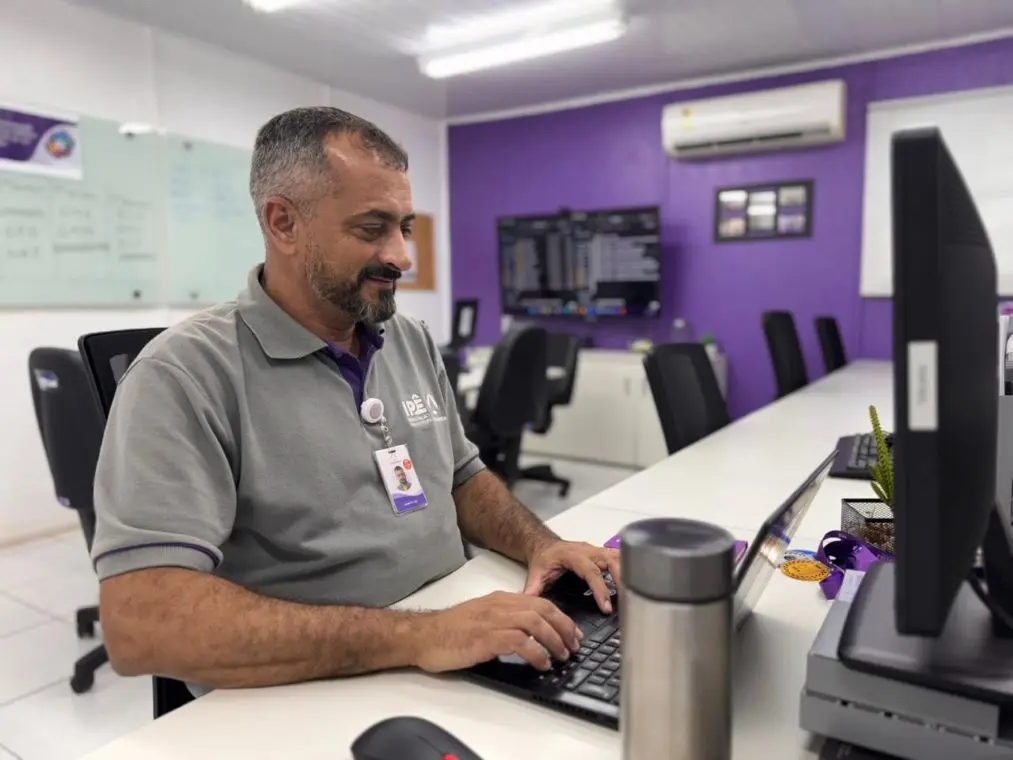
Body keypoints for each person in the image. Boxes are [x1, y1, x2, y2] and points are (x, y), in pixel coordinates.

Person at [90, 106, 620, 694]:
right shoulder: (184, 373)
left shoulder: (409, 340)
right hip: (313, 687)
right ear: (283, 224)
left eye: (405, 227)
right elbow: (141, 624)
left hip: (450, 642)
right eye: (372, 230)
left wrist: (541, 545)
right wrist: (423, 636)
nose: (401, 257)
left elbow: (461, 478)